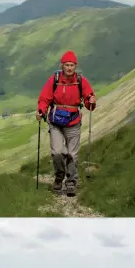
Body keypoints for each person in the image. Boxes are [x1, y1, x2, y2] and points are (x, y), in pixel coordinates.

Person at [36, 51, 97, 197]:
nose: (69, 68)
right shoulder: (55, 79)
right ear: (62, 65)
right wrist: (41, 110)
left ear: (76, 66)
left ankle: (71, 183)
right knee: (57, 152)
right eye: (66, 65)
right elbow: (44, 98)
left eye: (72, 65)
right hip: (56, 122)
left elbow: (89, 101)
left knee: (72, 154)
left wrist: (91, 101)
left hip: (73, 122)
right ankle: (59, 177)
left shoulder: (81, 81)